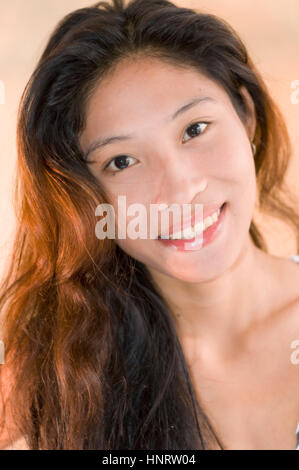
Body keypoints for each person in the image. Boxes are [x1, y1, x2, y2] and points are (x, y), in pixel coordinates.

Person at [0, 0, 299, 450]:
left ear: (247, 115)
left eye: (195, 129)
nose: (180, 189)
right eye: (122, 161)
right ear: (83, 195)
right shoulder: (57, 380)